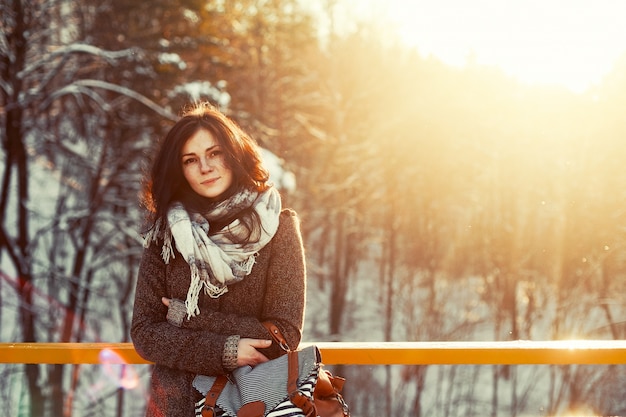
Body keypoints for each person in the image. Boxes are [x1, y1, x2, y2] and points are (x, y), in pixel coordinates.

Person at [131, 103, 306, 417]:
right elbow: (145, 332)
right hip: (175, 406)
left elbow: (283, 335)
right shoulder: (165, 235)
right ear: (179, 170)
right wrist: (225, 350)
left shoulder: (278, 229)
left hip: (252, 404)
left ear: (234, 154)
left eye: (215, 153)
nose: (205, 167)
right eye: (191, 160)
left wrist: (187, 316)